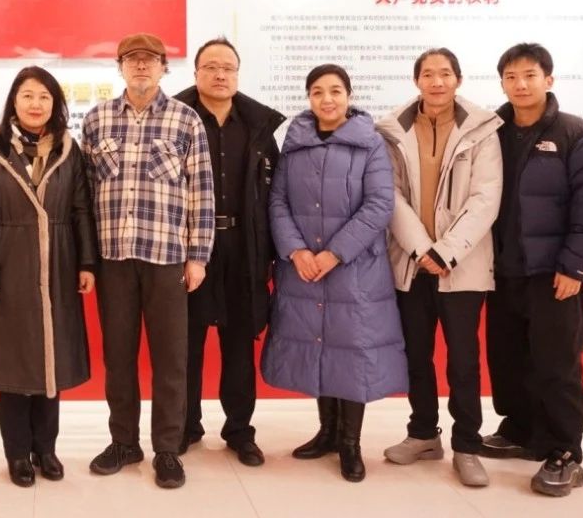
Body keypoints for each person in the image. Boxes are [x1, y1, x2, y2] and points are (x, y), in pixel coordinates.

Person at [481, 43, 583, 497]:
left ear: (548, 79)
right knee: (509, 357)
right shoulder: (492, 132)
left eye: (529, 75)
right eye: (511, 77)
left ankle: (565, 452)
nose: (520, 85)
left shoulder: (574, 134)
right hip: (503, 272)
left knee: (557, 363)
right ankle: (522, 429)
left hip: (553, 274)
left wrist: (576, 267)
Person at [81, 33, 215, 489]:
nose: (141, 66)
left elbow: (202, 193)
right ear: (120, 67)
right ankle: (124, 442)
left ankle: (167, 449)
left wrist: (198, 257)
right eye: (132, 59)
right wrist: (87, 259)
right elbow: (84, 196)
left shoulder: (185, 119)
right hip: (113, 258)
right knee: (118, 357)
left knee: (170, 360)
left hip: (167, 259)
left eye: (150, 59)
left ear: (163, 67)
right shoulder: (97, 120)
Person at [262, 63, 407, 483]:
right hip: (303, 268)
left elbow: (379, 204)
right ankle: (326, 432)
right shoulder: (294, 142)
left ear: (349, 95)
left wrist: (335, 253)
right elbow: (278, 202)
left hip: (355, 269)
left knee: (351, 351)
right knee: (318, 347)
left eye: (335, 91)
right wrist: (296, 250)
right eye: (318, 92)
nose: (327, 99)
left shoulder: (370, 142)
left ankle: (350, 443)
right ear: (309, 98)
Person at [376, 49, 502, 487]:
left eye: (445, 73)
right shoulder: (393, 129)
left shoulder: (482, 129)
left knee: (463, 360)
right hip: (412, 264)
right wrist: (421, 249)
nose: (436, 81)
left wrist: (446, 252)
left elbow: (486, 198)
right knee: (416, 354)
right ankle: (423, 434)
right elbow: (390, 194)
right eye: (427, 74)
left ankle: (467, 445)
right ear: (417, 81)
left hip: (461, 266)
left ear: (458, 79)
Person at [0, 66, 99, 487]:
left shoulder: (67, 149)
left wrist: (86, 262)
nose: (35, 104)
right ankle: (17, 454)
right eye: (27, 95)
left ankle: (46, 449)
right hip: (9, 263)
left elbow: (80, 209)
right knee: (13, 363)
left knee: (50, 361)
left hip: (59, 263)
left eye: (44, 96)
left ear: (55, 104)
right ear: (14, 101)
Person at [172, 37, 283, 466]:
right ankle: (185, 426)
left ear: (237, 74)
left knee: (239, 343)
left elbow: (274, 193)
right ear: (196, 73)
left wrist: (270, 252)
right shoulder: (175, 118)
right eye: (211, 67)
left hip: (243, 245)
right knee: (186, 343)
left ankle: (239, 430)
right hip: (188, 247)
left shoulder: (257, 125)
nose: (220, 75)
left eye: (228, 68)